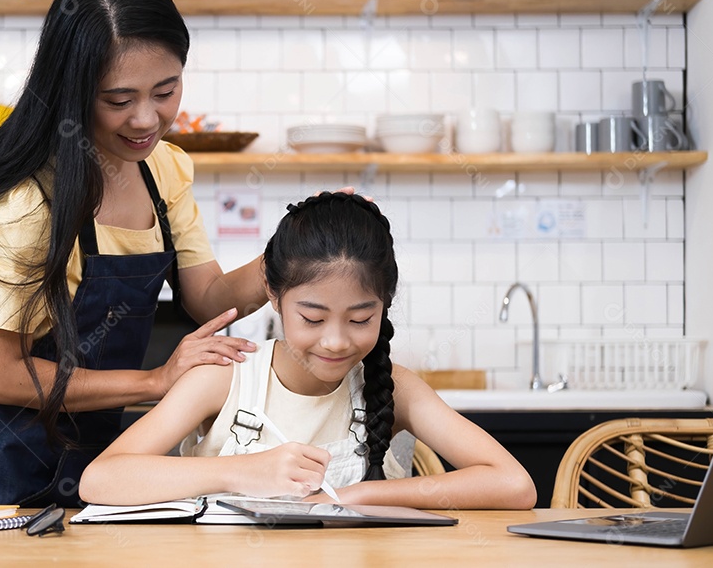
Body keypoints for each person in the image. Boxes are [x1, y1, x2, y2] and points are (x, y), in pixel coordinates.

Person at [0, 0, 270, 508]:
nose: (146, 119)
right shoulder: (28, 201)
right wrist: (153, 381)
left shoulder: (164, 170)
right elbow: (1, 375)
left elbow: (208, 298)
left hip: (88, 458)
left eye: (166, 91)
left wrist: (287, 259)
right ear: (72, 92)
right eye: (118, 100)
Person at [80, 193, 538, 509]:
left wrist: (361, 495)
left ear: (385, 305)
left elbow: (514, 484)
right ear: (273, 295)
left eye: (360, 320)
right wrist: (241, 472)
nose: (336, 341)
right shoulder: (226, 375)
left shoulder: (397, 387)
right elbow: (101, 479)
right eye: (313, 319)